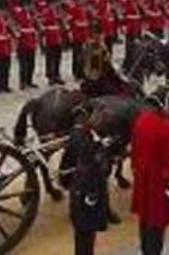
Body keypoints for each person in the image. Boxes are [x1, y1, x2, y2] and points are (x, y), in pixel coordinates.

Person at [131, 87, 169, 255]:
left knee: (145, 218)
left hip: (142, 176)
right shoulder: (167, 127)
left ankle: (145, 249)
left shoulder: (140, 121)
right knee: (157, 221)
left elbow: (134, 152)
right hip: (158, 181)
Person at [59, 108, 111, 255]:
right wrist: (101, 148)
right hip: (85, 194)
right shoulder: (83, 139)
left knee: (83, 238)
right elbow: (91, 161)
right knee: (86, 237)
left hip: (78, 190)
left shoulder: (79, 135)